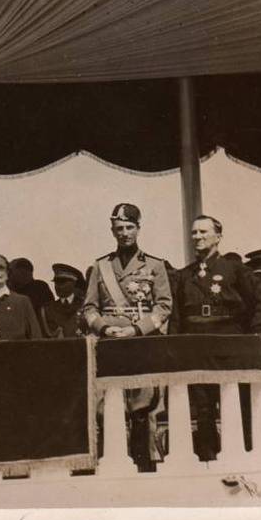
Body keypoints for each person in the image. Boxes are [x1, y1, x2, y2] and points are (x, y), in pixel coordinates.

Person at [174, 215, 261, 460]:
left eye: (203, 232)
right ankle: (208, 457)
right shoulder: (184, 275)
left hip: (229, 340)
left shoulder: (237, 270)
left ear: (218, 236)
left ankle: (245, 455)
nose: (197, 237)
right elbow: (176, 315)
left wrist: (251, 337)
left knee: (235, 400)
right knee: (203, 405)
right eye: (194, 232)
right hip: (195, 342)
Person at [82, 202, 173, 471]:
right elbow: (89, 307)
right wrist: (102, 327)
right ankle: (109, 463)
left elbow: (164, 306)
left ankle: (144, 463)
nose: (124, 233)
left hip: (140, 341)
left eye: (129, 227)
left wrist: (136, 329)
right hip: (109, 342)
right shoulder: (101, 266)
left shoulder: (155, 265)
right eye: (119, 228)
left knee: (142, 405)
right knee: (106, 405)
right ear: (112, 230)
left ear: (138, 228)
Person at [39, 264, 86, 339]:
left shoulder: (85, 305)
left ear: (73, 283)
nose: (58, 286)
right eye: (56, 282)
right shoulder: (47, 309)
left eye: (62, 282)